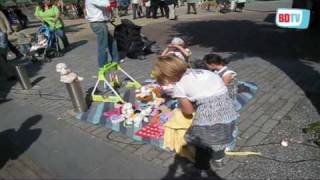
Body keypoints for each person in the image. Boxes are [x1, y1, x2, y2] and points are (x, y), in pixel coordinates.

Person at [152, 56, 239, 169]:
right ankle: (219, 161)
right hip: (229, 111)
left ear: (168, 76)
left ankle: (201, 164)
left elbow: (188, 111)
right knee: (220, 140)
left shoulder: (179, 87)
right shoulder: (204, 72)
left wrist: (185, 105)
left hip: (209, 118)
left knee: (199, 142)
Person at [0, 9, 16, 80]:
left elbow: (5, 19)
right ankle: (8, 72)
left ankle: (6, 69)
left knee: (3, 52)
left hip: (2, 33)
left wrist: (9, 28)